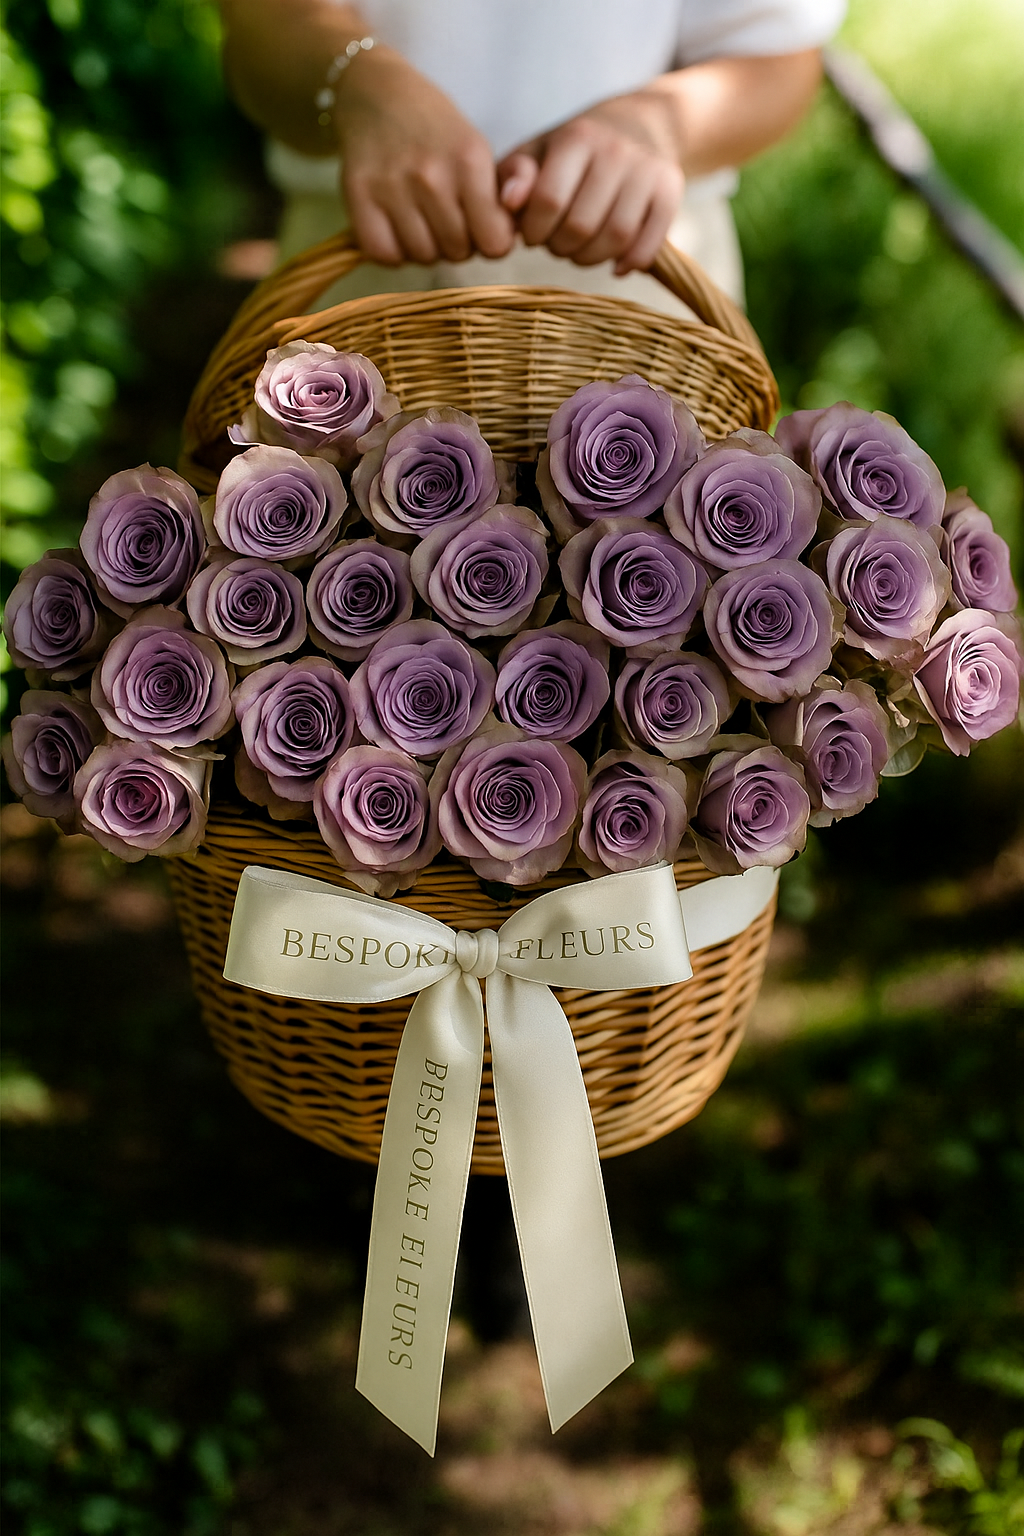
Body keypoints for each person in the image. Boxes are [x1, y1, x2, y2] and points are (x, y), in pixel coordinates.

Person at [219, 0, 845, 316]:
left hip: (641, 286)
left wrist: (659, 123)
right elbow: (259, 22)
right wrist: (358, 81)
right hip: (357, 277)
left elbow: (778, 52)